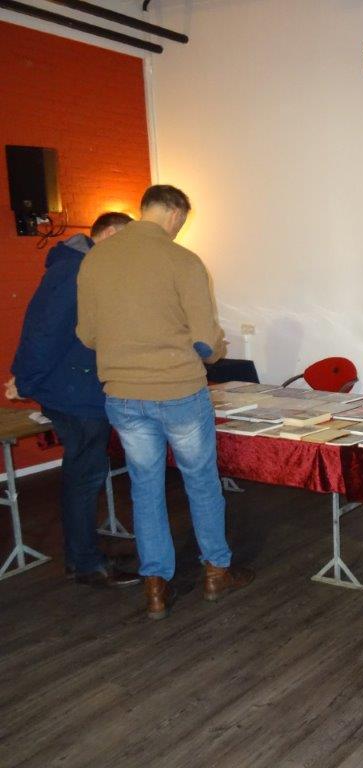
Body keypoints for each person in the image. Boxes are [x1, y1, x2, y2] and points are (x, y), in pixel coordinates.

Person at [77, 185, 253, 620]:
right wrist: (214, 348)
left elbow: (88, 335)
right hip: (178, 392)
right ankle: (216, 571)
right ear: (175, 214)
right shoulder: (183, 260)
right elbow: (205, 340)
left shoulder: (96, 258)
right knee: (201, 482)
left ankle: (155, 585)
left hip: (123, 394)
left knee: (145, 487)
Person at [8, 212, 140, 588]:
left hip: (81, 388)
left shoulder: (84, 268)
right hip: (74, 393)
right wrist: (24, 381)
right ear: (109, 233)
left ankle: (84, 554)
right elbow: (44, 332)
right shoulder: (74, 271)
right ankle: (84, 563)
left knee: (86, 475)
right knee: (84, 478)